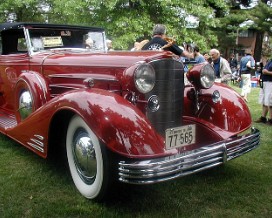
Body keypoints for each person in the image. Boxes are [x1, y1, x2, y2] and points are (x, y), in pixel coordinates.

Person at [255, 58, 272, 125]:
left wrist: (267, 72)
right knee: (264, 100)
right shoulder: (270, 60)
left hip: (270, 82)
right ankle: (263, 118)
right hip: (264, 81)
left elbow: (266, 71)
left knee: (270, 101)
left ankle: (271, 120)